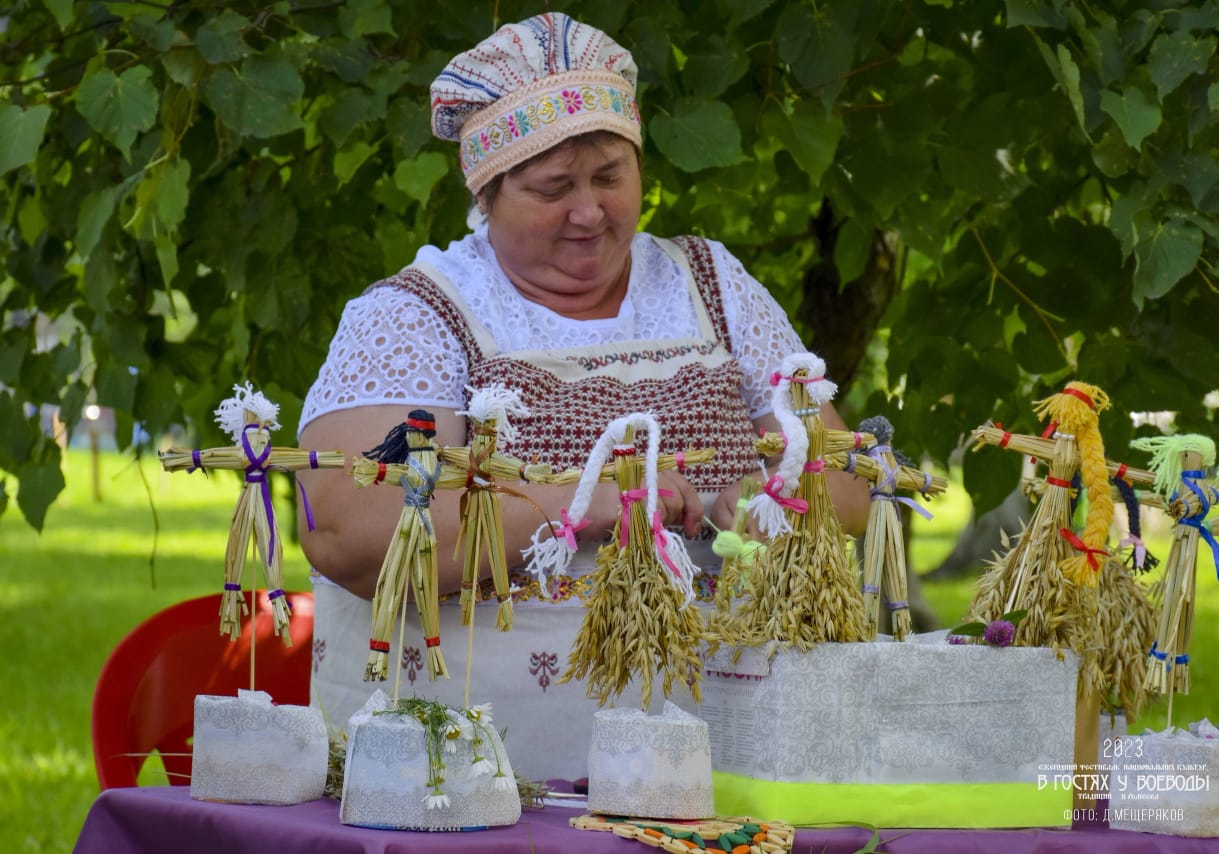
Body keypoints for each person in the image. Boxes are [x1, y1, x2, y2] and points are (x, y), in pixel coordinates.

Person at [296, 11, 869, 781]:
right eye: (552, 187)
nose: (590, 212)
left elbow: (845, 479)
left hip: (728, 757)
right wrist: (583, 502)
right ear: (487, 194)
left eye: (609, 176)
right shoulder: (417, 313)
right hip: (479, 773)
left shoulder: (711, 284)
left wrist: (769, 504)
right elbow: (352, 531)